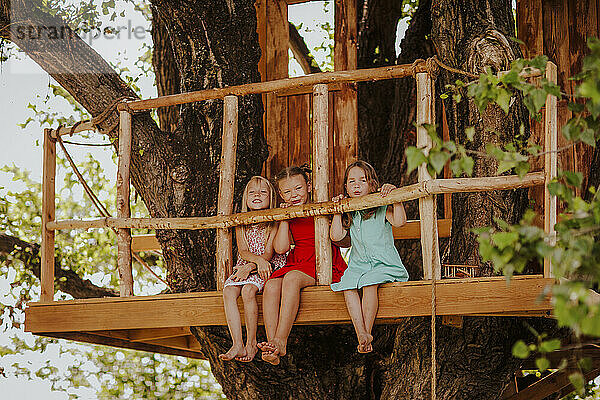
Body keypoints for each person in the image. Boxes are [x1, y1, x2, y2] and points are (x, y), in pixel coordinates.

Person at [258, 165, 347, 365]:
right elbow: (281, 248)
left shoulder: (320, 207)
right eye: (287, 192)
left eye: (298, 189)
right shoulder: (289, 215)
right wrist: (284, 220)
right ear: (281, 195)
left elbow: (341, 239)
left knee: (290, 278)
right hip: (297, 261)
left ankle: (281, 340)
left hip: (322, 263)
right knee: (271, 285)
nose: (294, 195)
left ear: (308, 187)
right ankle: (272, 343)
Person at [330, 161, 409, 353]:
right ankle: (361, 334)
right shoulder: (352, 211)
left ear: (372, 184)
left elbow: (400, 222)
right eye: (351, 181)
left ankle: (367, 331)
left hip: (384, 264)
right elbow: (336, 236)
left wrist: (395, 198)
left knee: (368, 282)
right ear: (346, 187)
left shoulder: (381, 207)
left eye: (362, 180)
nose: (356, 185)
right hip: (359, 265)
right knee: (347, 285)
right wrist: (338, 210)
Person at [219, 176, 286, 362]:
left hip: (266, 265)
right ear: (246, 198)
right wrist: (247, 266)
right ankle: (237, 343)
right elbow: (243, 250)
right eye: (252, 192)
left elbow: (268, 254)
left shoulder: (274, 221)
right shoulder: (242, 221)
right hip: (246, 264)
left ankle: (251, 341)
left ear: (271, 197)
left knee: (248, 291)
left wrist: (252, 266)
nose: (257, 195)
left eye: (263, 192)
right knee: (229, 292)